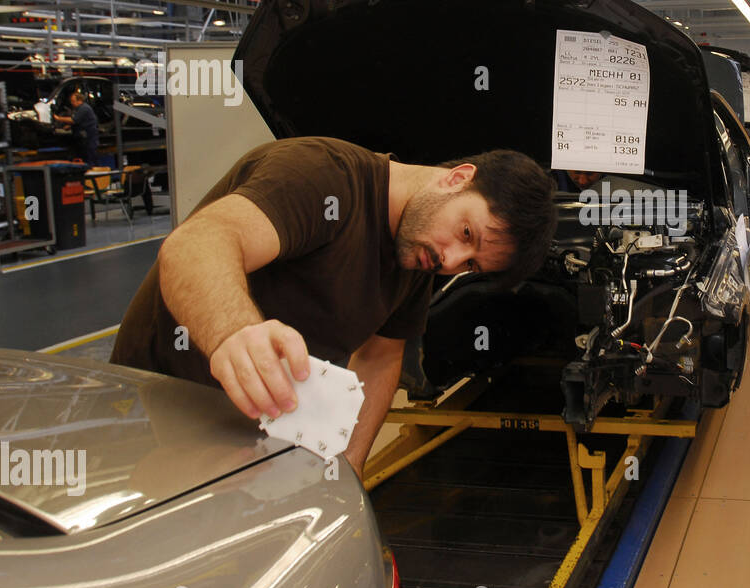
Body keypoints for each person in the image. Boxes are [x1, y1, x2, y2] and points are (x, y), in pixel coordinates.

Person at [110, 136, 558, 474]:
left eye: (472, 265)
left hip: (241, 447)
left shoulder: (417, 252)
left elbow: (383, 356)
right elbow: (195, 243)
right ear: (458, 178)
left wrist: (348, 471)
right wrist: (233, 334)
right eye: (466, 235)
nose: (451, 262)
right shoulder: (322, 176)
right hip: (150, 420)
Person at [51, 87, 99, 165]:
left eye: (73, 101)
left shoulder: (84, 108)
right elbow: (79, 121)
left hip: (88, 137)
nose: (71, 103)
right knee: (83, 155)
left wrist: (58, 118)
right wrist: (70, 126)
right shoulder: (79, 108)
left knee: (90, 157)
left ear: (79, 101)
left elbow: (73, 120)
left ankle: (93, 171)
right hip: (83, 137)